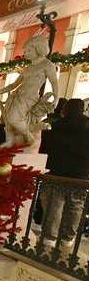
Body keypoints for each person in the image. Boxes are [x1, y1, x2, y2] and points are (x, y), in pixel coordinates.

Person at [41, 98, 89, 246]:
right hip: (80, 175)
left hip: (57, 171)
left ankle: (50, 236)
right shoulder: (87, 127)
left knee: (54, 204)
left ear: (66, 109)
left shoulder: (55, 126)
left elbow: (45, 149)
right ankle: (67, 238)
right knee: (76, 205)